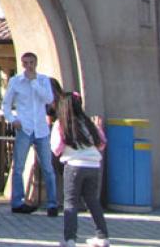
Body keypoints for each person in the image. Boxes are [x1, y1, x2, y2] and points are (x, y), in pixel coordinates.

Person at [3, 52, 58, 215]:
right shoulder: (15, 81)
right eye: (26, 63)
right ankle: (17, 202)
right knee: (18, 166)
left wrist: (34, 82)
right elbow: (6, 104)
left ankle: (52, 204)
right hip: (25, 127)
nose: (29, 66)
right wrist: (12, 119)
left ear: (36, 63)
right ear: (22, 64)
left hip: (41, 128)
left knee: (48, 167)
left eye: (31, 62)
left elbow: (49, 99)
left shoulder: (43, 80)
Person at [51, 93, 109, 247]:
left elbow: (56, 149)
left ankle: (70, 239)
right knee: (92, 201)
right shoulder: (89, 123)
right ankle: (102, 236)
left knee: (70, 203)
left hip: (74, 165)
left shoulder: (61, 124)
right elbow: (101, 143)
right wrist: (98, 127)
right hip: (93, 166)